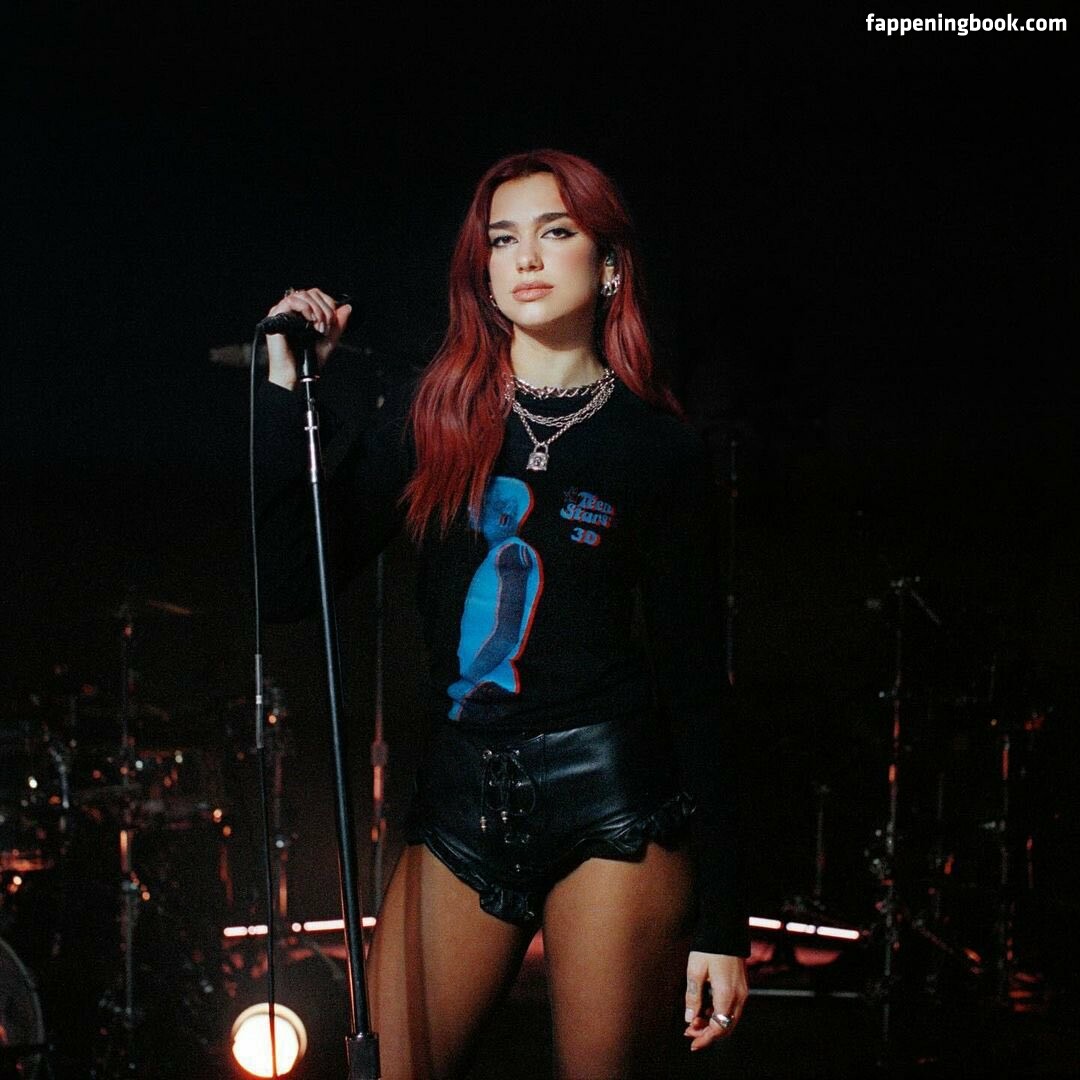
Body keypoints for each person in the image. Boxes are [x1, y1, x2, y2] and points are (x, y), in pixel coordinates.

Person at [254, 149, 749, 1079]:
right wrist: (290, 390)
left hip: (612, 803)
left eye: (555, 232)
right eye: (503, 239)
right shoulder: (430, 418)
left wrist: (724, 923)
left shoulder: (657, 450)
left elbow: (696, 684)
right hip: (460, 798)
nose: (525, 257)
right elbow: (284, 589)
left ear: (609, 266)